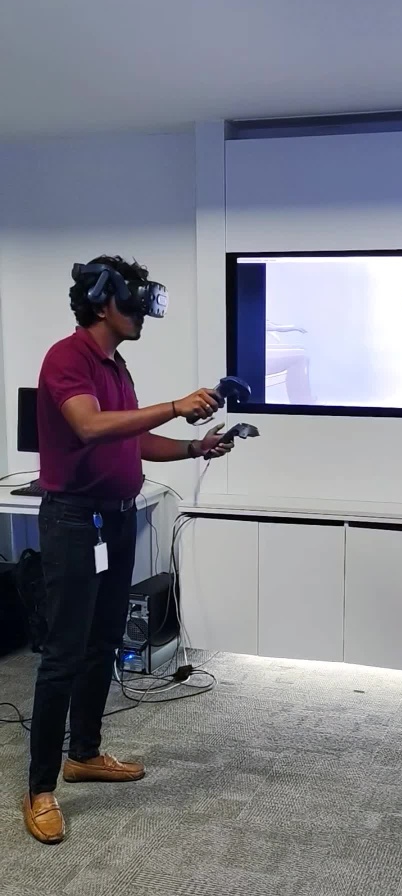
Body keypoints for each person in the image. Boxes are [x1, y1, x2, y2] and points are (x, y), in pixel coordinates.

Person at [24, 255, 233, 845]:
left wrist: (193, 447)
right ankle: (39, 790)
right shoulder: (67, 358)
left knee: (102, 643)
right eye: (132, 302)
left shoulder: (117, 365)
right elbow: (90, 427)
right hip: (73, 522)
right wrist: (175, 405)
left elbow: (132, 439)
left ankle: (84, 754)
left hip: (114, 521)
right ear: (101, 301)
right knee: (63, 655)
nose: (141, 314)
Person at [265, 320, 314, 404]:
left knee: (302, 354)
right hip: (251, 361)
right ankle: (301, 402)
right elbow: (271, 327)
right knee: (300, 359)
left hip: (254, 355)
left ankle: (304, 399)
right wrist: (292, 327)